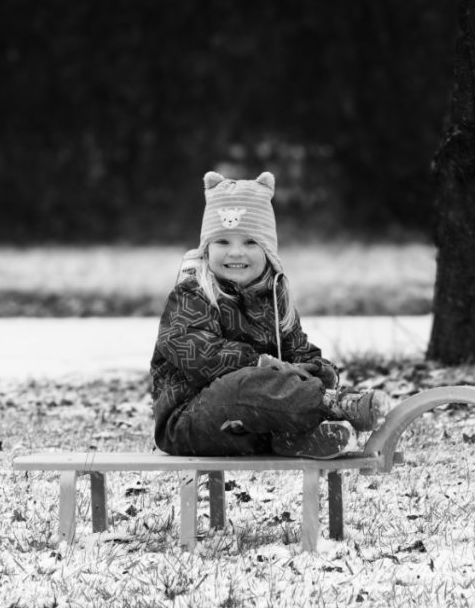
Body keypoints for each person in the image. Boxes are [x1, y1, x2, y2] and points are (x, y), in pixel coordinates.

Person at [150, 170, 392, 459]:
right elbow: (192, 348)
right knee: (246, 384)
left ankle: (301, 438)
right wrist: (260, 363)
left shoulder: (275, 298)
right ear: (207, 249)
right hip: (190, 421)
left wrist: (314, 370)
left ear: (268, 250)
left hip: (254, 426)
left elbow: (299, 351)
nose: (236, 253)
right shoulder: (192, 294)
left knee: (278, 383)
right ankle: (333, 405)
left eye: (250, 242)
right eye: (223, 242)